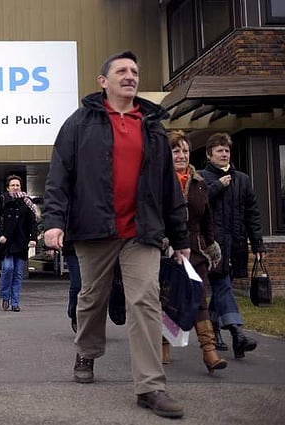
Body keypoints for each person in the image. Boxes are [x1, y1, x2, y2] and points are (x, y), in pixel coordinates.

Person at [42, 50, 190, 419]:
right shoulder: (79, 123)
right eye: (121, 70)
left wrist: (180, 237)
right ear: (103, 81)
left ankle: (150, 386)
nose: (130, 76)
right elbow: (60, 176)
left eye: (134, 71)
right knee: (93, 298)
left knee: (145, 300)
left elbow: (168, 186)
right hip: (94, 229)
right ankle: (87, 351)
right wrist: (54, 221)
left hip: (142, 230)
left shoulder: (153, 126)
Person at [164, 130, 227, 373]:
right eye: (175, 150)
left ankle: (209, 352)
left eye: (185, 151)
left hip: (195, 252)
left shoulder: (199, 183)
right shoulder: (159, 181)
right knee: (165, 300)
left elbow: (207, 219)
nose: (181, 155)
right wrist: (164, 242)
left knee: (199, 299)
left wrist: (211, 246)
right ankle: (162, 344)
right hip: (166, 253)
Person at [199, 132, 266, 358]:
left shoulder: (242, 180)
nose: (224, 154)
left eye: (226, 150)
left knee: (222, 287)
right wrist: (217, 186)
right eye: (219, 150)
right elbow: (197, 205)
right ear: (209, 155)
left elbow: (252, 214)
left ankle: (215, 330)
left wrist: (258, 245)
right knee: (223, 286)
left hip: (235, 246)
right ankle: (237, 333)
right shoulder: (201, 178)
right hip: (211, 247)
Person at [0, 175, 38, 312]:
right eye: (13, 185)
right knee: (8, 268)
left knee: (18, 273)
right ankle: (5, 296)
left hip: (21, 241)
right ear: (8, 187)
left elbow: (32, 222)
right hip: (6, 242)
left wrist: (33, 238)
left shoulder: (26, 202)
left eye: (17, 185)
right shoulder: (2, 200)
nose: (15, 187)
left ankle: (15, 302)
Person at [63, 242, 81, 333]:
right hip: (72, 248)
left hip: (95, 246)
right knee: (77, 284)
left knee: (94, 286)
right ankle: (74, 313)